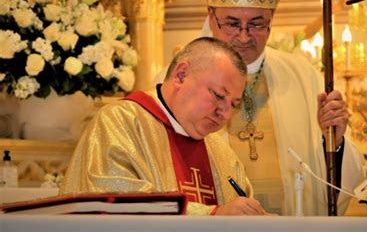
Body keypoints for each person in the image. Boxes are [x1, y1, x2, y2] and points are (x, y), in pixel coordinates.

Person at [195, 0, 365, 215]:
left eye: (257, 23)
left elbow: (344, 185)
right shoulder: (189, 77)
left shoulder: (303, 75)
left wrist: (336, 141)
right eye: (233, 23)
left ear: (272, 18)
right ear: (212, 15)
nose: (245, 36)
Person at [60, 37, 266, 216]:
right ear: (181, 75)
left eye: (233, 104)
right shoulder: (121, 122)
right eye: (218, 96)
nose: (226, 114)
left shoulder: (221, 153)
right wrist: (211, 214)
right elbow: (115, 204)